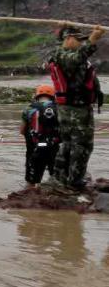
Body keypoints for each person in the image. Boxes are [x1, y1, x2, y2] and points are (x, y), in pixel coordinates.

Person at [48, 24, 104, 189]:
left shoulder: (69, 54)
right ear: (68, 39)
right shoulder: (62, 55)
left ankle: (63, 177)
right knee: (82, 145)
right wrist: (93, 41)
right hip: (74, 110)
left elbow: (80, 58)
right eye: (78, 40)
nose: (81, 43)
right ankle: (73, 180)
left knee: (70, 144)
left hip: (75, 109)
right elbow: (77, 59)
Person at [21, 85, 60, 186]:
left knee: (31, 182)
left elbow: (22, 131)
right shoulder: (59, 108)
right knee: (57, 179)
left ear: (37, 95)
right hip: (53, 149)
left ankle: (30, 193)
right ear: (52, 96)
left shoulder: (28, 109)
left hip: (35, 150)